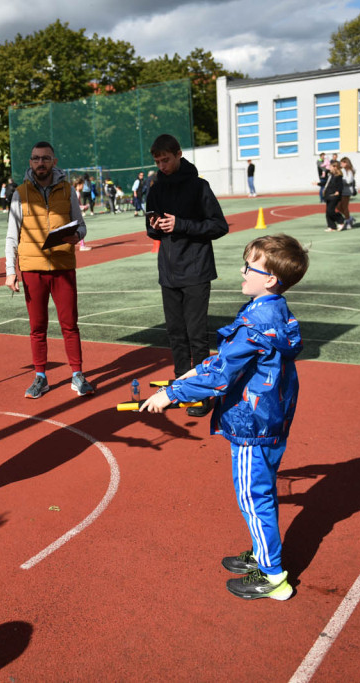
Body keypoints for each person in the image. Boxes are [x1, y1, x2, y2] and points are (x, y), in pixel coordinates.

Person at [141, 233, 309, 601]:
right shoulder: (272, 310)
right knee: (256, 495)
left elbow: (221, 378)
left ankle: (272, 575)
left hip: (253, 422)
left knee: (254, 498)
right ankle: (262, 554)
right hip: (270, 416)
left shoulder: (255, 322)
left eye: (249, 266)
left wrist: (169, 395)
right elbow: (228, 358)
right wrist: (190, 372)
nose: (241, 271)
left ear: (269, 278)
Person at [145, 133, 229, 417]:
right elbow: (151, 228)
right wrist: (155, 225)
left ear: (179, 154)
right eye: (157, 161)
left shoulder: (199, 186)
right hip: (168, 272)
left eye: (165, 159)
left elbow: (219, 226)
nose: (162, 165)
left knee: (196, 335)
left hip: (196, 270)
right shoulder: (155, 188)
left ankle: (203, 391)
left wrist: (181, 224)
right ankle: (181, 386)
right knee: (175, 333)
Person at [5, 141, 94, 399]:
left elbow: (82, 226)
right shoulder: (19, 193)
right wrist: (11, 270)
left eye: (45, 158)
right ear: (30, 163)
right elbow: (12, 236)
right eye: (35, 159)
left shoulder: (67, 190)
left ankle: (77, 374)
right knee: (37, 326)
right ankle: (40, 376)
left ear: (54, 161)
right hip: (32, 268)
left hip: (63, 266)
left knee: (70, 324)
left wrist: (76, 235)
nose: (40, 163)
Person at [336, 157, 356, 229]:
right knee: (338, 206)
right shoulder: (342, 170)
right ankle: (350, 218)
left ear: (346, 163)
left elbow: (349, 181)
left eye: (342, 163)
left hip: (347, 191)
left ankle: (348, 222)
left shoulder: (349, 171)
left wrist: (341, 180)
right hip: (341, 190)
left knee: (345, 207)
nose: (341, 164)